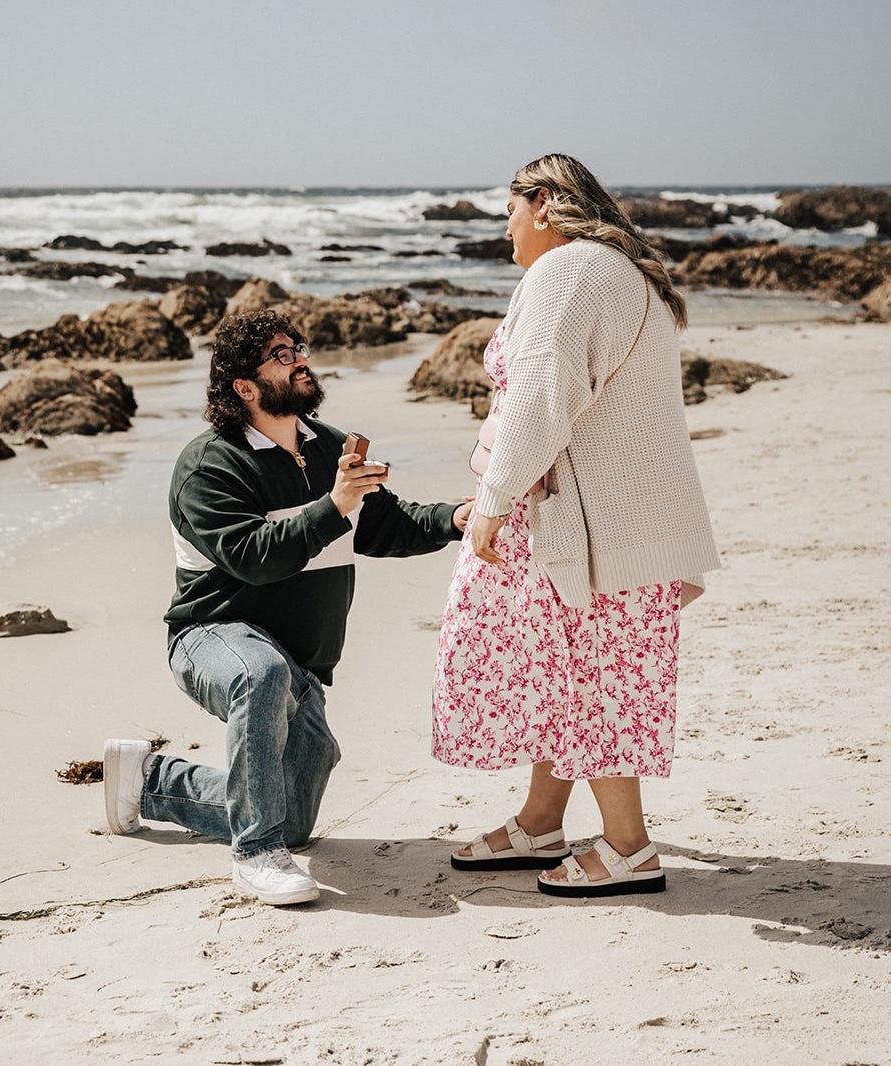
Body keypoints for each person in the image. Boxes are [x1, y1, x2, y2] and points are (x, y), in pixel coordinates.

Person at [104, 309, 472, 906]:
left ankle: (148, 782)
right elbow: (254, 557)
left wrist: (456, 518)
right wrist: (334, 505)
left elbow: (384, 524)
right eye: (280, 354)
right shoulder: (210, 465)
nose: (299, 358)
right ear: (244, 388)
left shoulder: (329, 448)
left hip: (298, 664)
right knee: (261, 675)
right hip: (211, 634)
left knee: (293, 818)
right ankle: (254, 855)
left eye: (297, 347)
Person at [432, 153, 721, 898]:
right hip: (621, 517)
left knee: (591, 677)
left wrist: (494, 499)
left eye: (509, 211)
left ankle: (628, 847)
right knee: (567, 671)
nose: (505, 229)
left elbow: (541, 398)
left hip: (587, 523)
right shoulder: (624, 272)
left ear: (544, 203)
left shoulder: (565, 272)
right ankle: (540, 822)